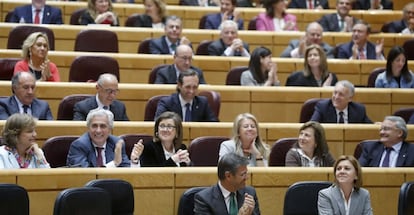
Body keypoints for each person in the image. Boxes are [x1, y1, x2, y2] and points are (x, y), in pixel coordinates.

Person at [194, 152, 261, 214]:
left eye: (246, 173)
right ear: (228, 176)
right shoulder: (204, 199)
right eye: (243, 174)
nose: (247, 177)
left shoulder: (250, 193)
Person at [67, 109, 131, 167]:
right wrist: (114, 164)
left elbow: (126, 171)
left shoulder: (116, 143)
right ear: (88, 128)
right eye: (94, 126)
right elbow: (85, 174)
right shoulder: (79, 145)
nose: (98, 131)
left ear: (110, 129)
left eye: (103, 126)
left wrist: (134, 161)